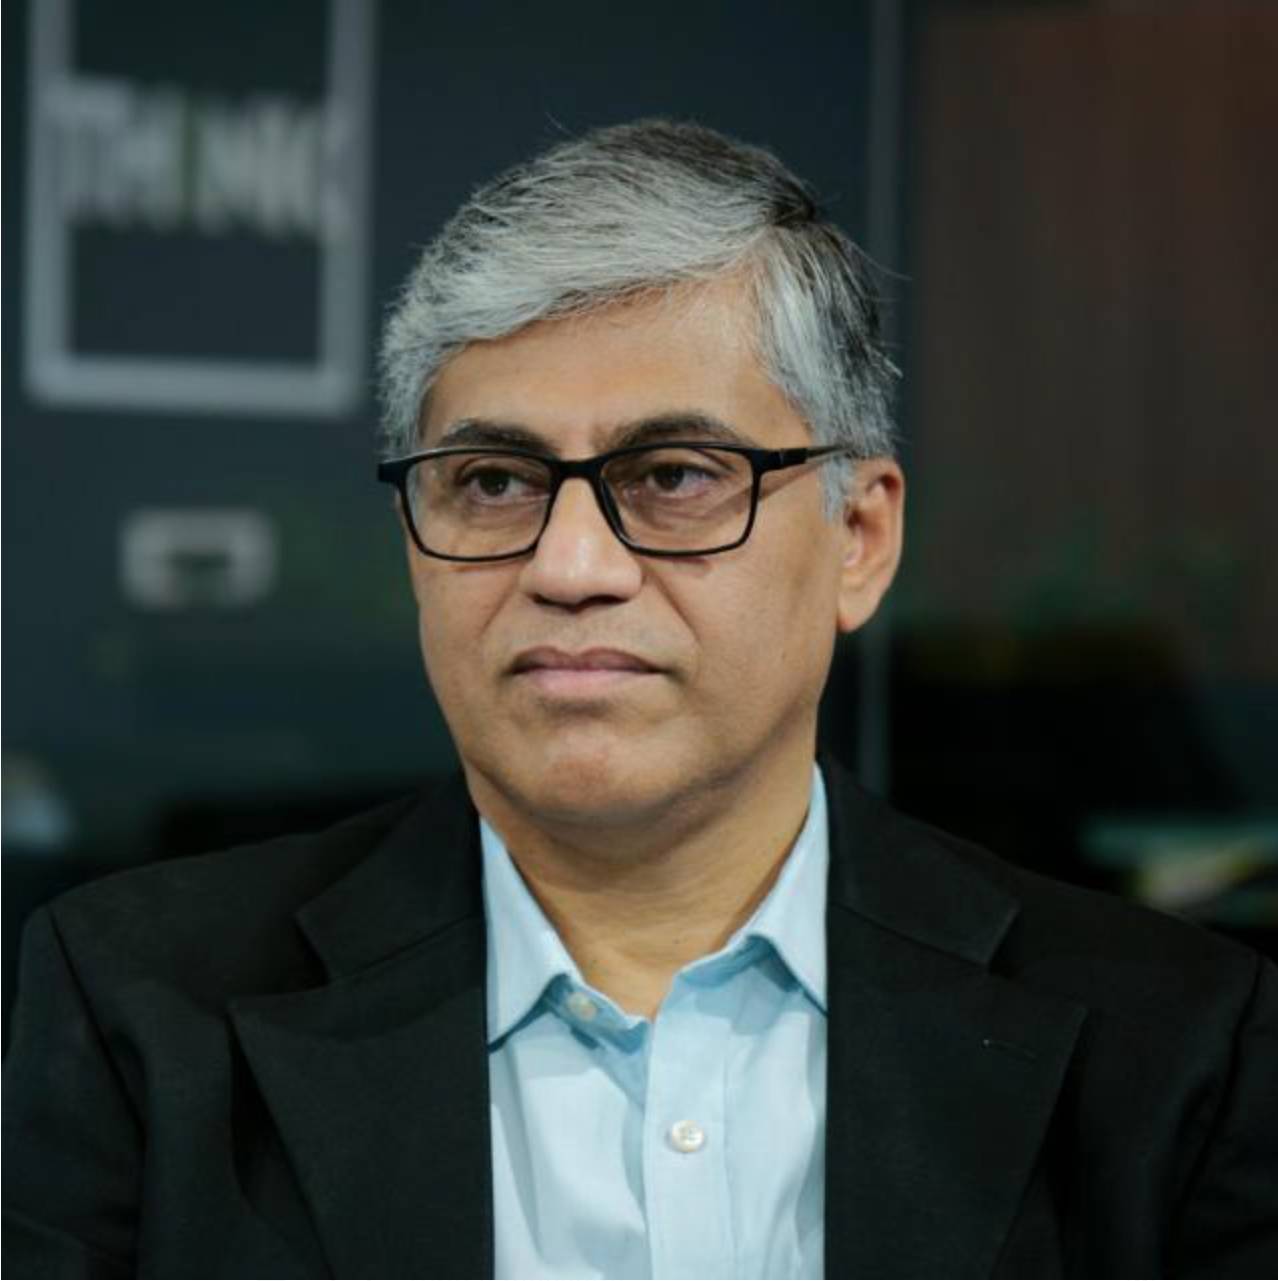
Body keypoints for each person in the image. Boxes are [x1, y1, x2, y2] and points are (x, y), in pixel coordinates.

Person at [4, 119, 1275, 1280]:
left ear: (859, 539)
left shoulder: (1176, 1051)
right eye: (492, 483)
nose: (570, 568)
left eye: (674, 475)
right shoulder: (139, 1014)